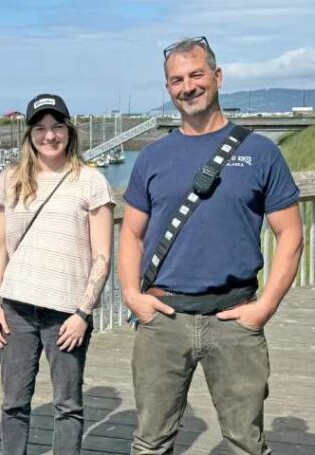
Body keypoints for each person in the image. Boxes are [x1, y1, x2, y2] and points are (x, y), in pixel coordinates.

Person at [118, 37, 303, 454]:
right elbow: (130, 233)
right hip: (163, 318)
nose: (188, 87)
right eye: (176, 80)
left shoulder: (260, 153)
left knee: (245, 443)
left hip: (235, 318)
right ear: (169, 89)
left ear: (217, 77)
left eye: (196, 75)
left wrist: (266, 307)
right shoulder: (152, 157)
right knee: (150, 443)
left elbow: (290, 234)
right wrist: (132, 295)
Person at [0, 94, 115, 454]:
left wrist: (82, 314)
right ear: (29, 135)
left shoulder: (91, 181)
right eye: (40, 128)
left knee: (67, 405)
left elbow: (103, 256)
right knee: (13, 403)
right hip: (16, 308)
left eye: (57, 126)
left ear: (69, 131)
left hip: (66, 313)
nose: (49, 135)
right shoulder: (10, 178)